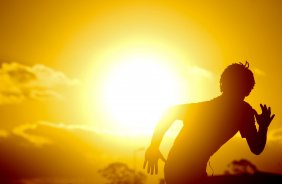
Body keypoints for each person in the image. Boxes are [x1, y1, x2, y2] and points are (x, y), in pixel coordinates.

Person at [143, 62, 275, 184]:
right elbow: (256, 149)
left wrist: (154, 146)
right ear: (248, 89)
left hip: (177, 170)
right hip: (182, 171)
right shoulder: (243, 112)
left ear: (222, 84)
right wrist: (263, 127)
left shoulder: (234, 111)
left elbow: (170, 112)